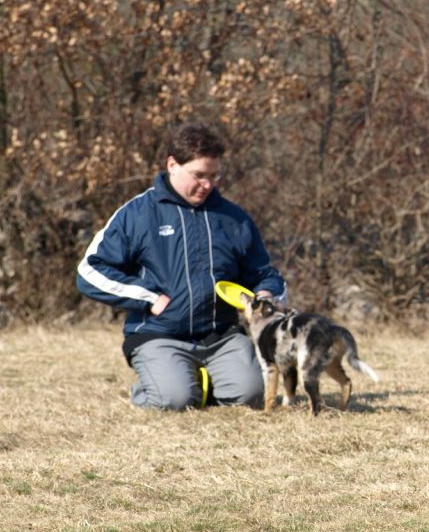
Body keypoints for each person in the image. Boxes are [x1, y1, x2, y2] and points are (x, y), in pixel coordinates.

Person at [76, 122, 286, 411]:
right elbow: (89, 271)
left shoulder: (234, 217)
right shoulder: (137, 213)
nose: (208, 185)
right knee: (171, 401)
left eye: (214, 176)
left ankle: (203, 382)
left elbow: (265, 274)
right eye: (199, 175)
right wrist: (149, 297)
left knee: (252, 397)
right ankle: (167, 385)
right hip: (158, 334)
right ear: (172, 165)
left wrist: (265, 296)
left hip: (221, 335)